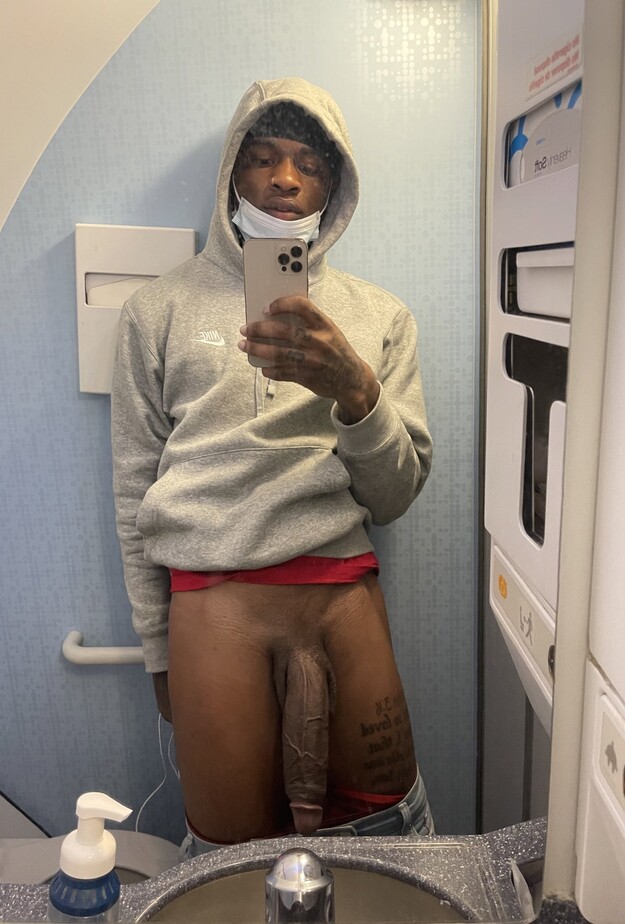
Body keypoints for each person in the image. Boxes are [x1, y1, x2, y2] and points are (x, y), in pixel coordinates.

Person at [112, 77, 434, 855]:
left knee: (388, 839)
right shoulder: (156, 311)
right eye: (262, 158)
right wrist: (157, 651)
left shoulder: (381, 317)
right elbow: (132, 489)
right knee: (232, 863)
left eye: (308, 165)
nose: (285, 180)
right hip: (212, 608)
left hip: (342, 595)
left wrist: (354, 388)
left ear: (333, 187)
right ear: (233, 172)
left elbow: (392, 497)